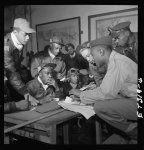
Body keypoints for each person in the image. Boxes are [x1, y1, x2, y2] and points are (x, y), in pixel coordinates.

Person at [69, 36, 137, 138]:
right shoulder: (115, 59)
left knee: (100, 107)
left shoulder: (116, 62)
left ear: (101, 52)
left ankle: (134, 131)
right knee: (104, 101)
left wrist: (81, 94)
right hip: (131, 96)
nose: (92, 59)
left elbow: (105, 92)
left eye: (92, 55)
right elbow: (107, 89)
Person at [4, 18, 39, 106]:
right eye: (25, 34)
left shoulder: (20, 41)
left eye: (29, 34)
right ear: (15, 32)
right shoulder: (5, 46)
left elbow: (15, 64)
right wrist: (26, 94)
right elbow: (11, 73)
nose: (28, 38)